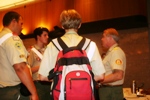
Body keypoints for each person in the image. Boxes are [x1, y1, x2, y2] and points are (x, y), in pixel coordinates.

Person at [38, 9, 106, 99]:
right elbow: (100, 75)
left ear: (62, 26)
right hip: (85, 95)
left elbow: (42, 77)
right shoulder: (91, 45)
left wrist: (62, 79)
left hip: (62, 96)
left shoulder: (53, 45)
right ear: (80, 24)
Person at [0, 11, 39, 100]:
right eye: (21, 23)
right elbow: (20, 67)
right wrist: (34, 93)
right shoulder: (12, 39)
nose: (22, 27)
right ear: (14, 21)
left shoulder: (1, 37)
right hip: (13, 92)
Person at [99, 28, 126, 100]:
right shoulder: (111, 53)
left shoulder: (116, 52)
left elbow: (118, 75)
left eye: (103, 36)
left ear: (110, 38)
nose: (102, 39)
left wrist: (98, 81)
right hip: (108, 90)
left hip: (111, 92)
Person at [27, 27, 51, 100]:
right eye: (45, 35)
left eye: (47, 35)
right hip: (38, 84)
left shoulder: (49, 49)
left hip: (49, 82)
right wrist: (41, 66)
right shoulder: (32, 51)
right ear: (38, 36)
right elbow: (28, 70)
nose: (47, 37)